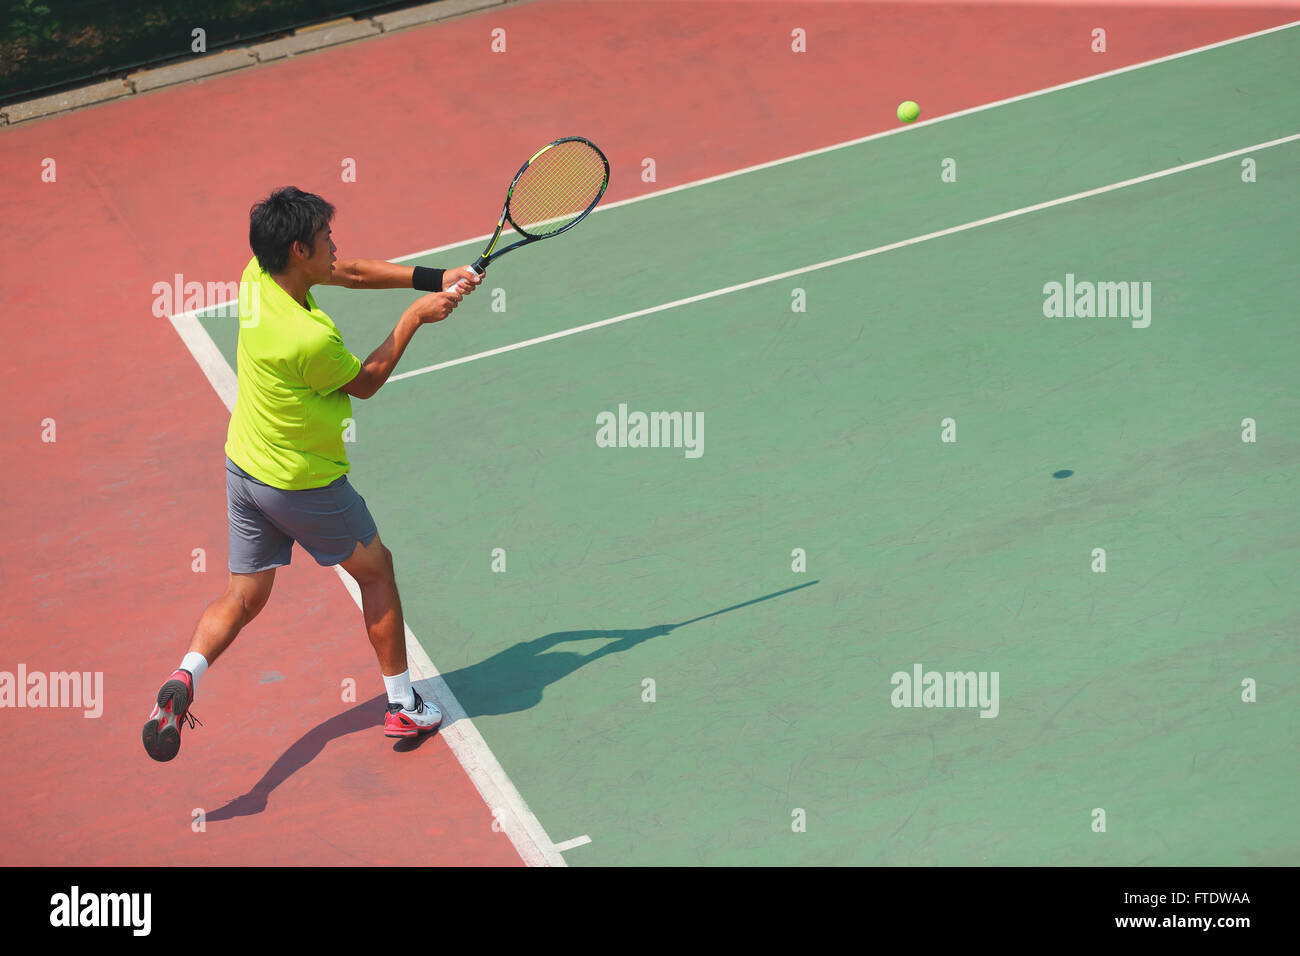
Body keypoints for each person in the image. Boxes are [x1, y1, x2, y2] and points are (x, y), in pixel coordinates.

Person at [142, 186, 481, 762]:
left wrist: (434, 276)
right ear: (299, 249)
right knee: (376, 572)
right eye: (325, 238)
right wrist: (415, 317)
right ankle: (403, 707)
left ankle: (184, 676)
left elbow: (344, 272)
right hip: (302, 483)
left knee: (244, 595)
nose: (335, 246)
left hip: (246, 466)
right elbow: (366, 381)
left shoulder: (258, 276)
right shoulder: (310, 339)